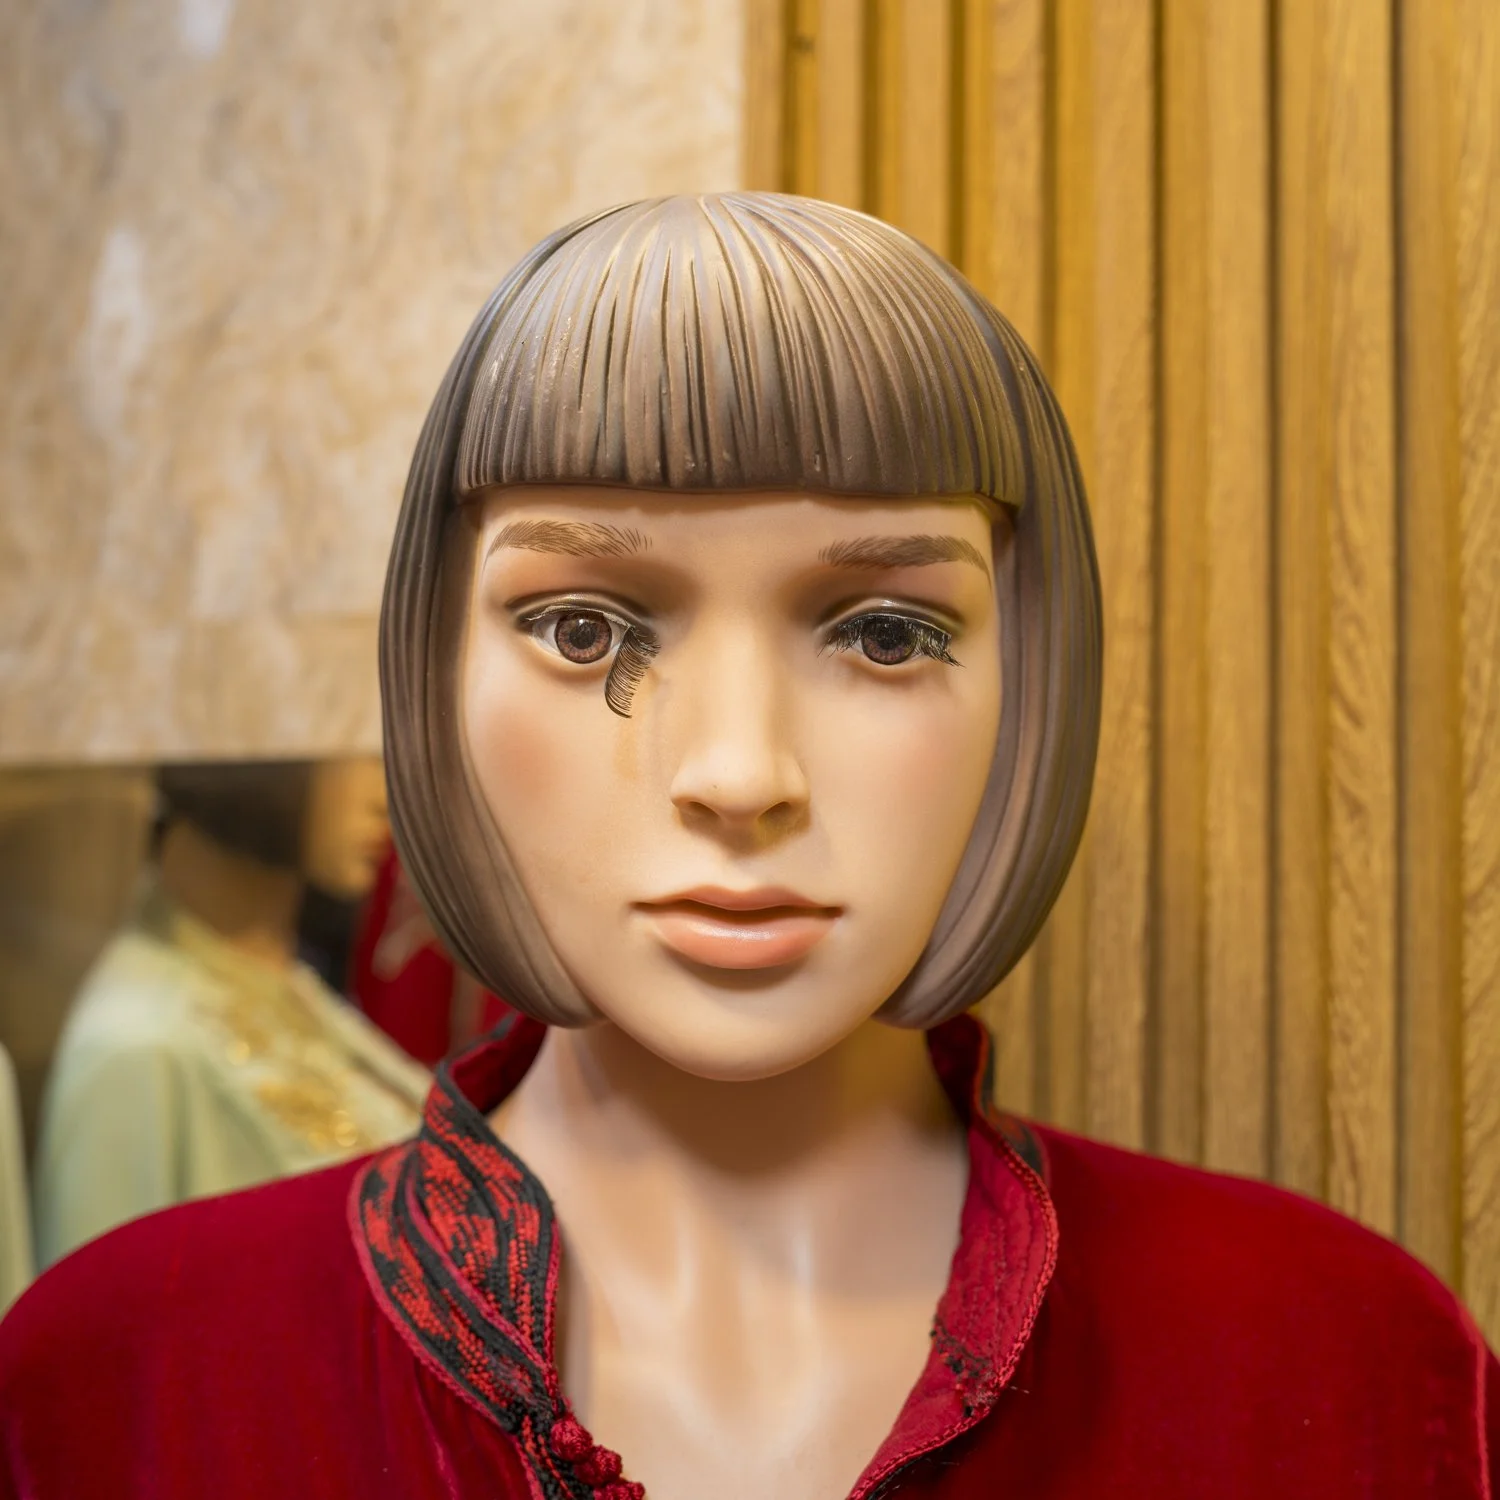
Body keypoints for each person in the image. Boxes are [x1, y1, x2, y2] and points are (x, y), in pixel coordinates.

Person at [1, 194, 1493, 1498]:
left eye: (886, 634)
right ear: (433, 673)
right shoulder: (115, 1387)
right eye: (584, 628)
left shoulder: (1352, 1369)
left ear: (1035, 683)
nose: (737, 774)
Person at [30, 758, 428, 1265]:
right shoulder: (138, 1046)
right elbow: (92, 1306)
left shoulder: (280, 981)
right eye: (353, 753)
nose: (384, 794)